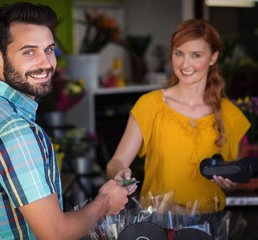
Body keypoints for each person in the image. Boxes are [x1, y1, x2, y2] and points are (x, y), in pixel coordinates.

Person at [0, 2, 129, 239]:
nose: (46, 63)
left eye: (49, 50)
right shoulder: (15, 130)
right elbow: (55, 233)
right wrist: (105, 202)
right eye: (29, 51)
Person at [106, 18, 251, 214]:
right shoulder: (150, 105)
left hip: (212, 223)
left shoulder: (230, 115)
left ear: (213, 57)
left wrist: (230, 183)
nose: (185, 64)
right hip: (159, 222)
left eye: (196, 55)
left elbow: (235, 181)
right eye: (178, 53)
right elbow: (116, 163)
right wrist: (119, 173)